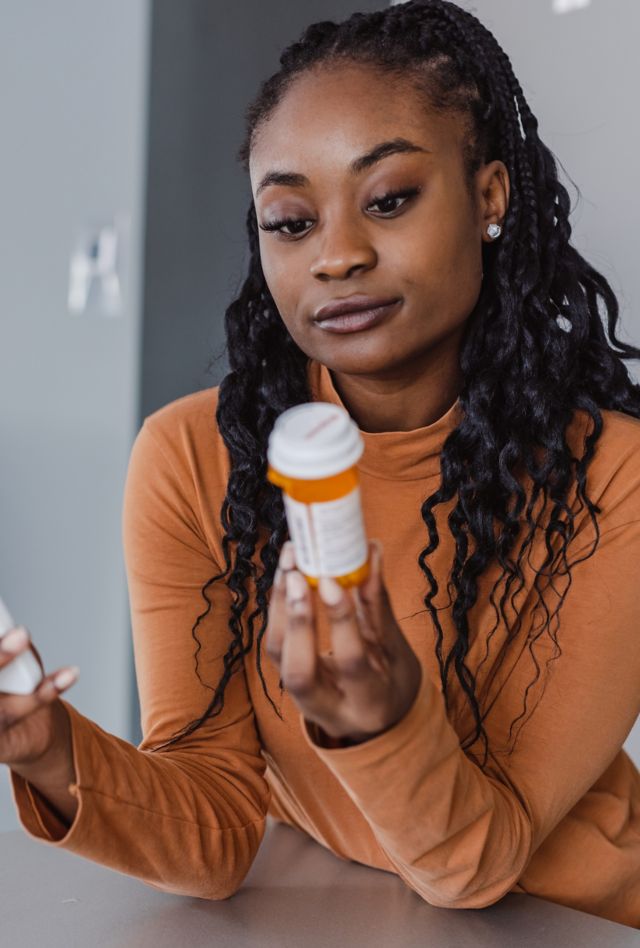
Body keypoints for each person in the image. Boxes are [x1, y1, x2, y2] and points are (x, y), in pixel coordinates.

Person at [2, 0, 639, 929]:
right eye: (291, 221)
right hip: (343, 914)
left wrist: (376, 721)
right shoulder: (194, 460)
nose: (336, 256)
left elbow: (483, 862)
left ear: (492, 196)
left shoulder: (613, 477)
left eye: (388, 200)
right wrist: (50, 751)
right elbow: (216, 828)